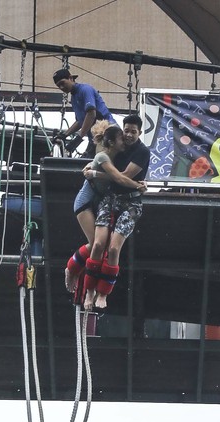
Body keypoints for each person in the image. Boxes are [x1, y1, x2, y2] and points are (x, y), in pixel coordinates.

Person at [64, 114, 151, 294]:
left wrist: (93, 170)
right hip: (86, 201)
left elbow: (117, 173)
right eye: (123, 134)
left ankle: (91, 285)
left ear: (140, 133)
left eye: (132, 132)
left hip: (100, 198)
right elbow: (118, 177)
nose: (125, 138)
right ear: (113, 142)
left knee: (102, 246)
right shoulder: (104, 156)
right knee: (96, 244)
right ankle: (71, 270)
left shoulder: (124, 152)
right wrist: (139, 186)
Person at [52, 68, 115, 158]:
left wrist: (79, 138)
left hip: (108, 134)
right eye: (59, 86)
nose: (61, 87)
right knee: (83, 165)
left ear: (70, 78)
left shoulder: (85, 89)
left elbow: (91, 114)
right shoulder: (73, 98)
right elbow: (80, 121)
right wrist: (64, 135)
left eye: (62, 83)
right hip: (95, 138)